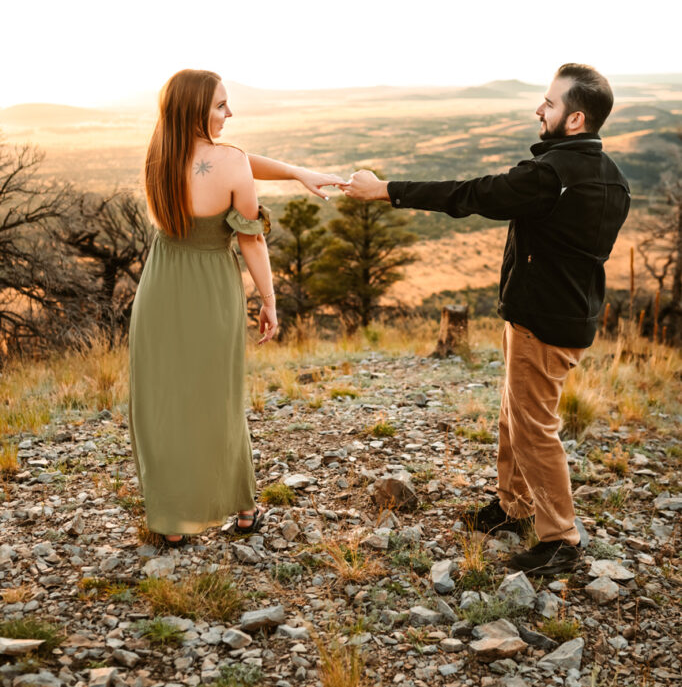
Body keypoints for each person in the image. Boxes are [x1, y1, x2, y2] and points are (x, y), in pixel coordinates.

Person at [340, 64, 630, 576]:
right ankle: (513, 507)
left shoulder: (551, 177)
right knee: (513, 417)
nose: (539, 109)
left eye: (549, 103)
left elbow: (469, 195)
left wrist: (385, 189)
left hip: (544, 323)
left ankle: (560, 538)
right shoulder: (612, 178)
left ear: (576, 119)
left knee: (534, 428)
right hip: (563, 315)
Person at [129, 68, 343, 544]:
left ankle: (171, 521)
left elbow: (240, 159)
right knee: (218, 400)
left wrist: (295, 172)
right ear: (195, 111)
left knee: (164, 401)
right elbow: (251, 240)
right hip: (210, 289)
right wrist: (268, 300)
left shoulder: (158, 153)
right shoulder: (229, 163)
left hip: (160, 285)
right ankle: (244, 508)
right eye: (221, 105)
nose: (230, 113)